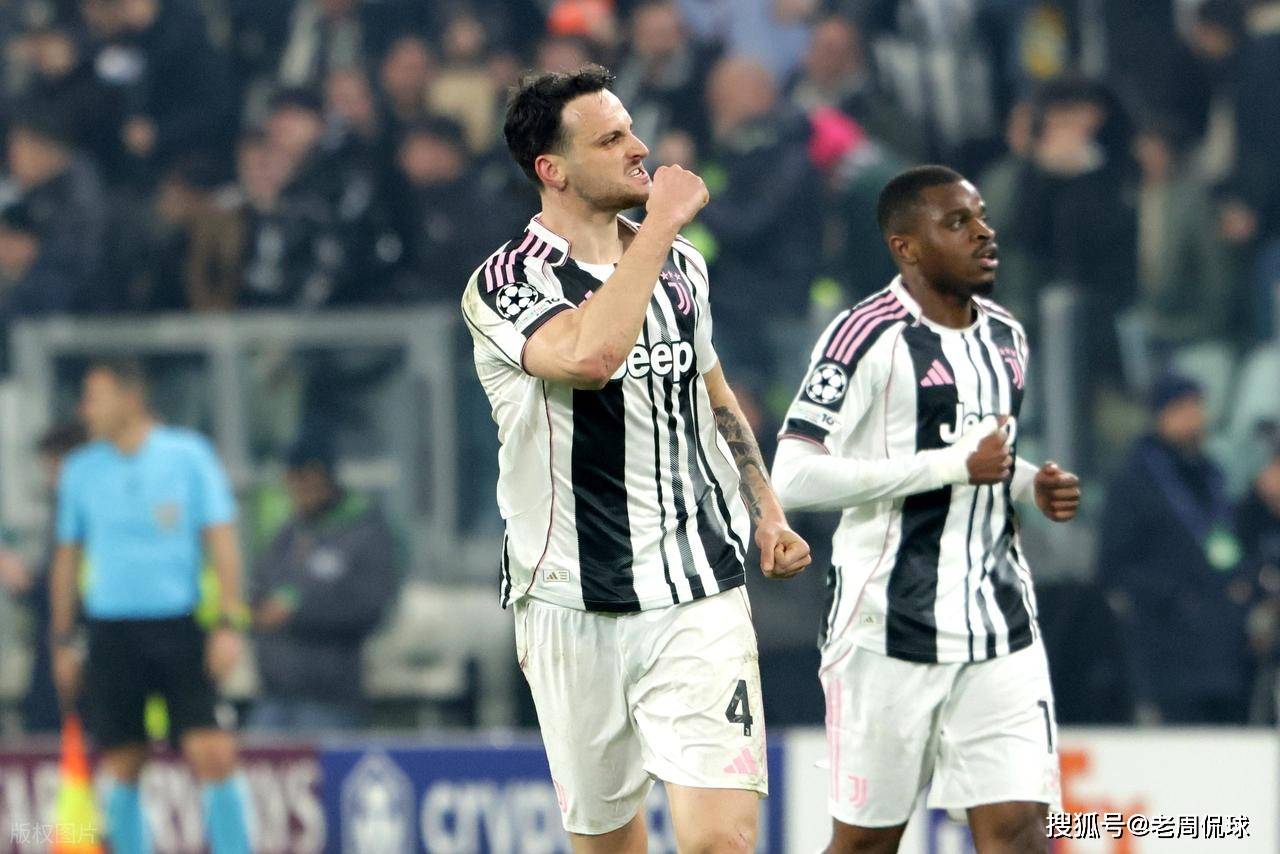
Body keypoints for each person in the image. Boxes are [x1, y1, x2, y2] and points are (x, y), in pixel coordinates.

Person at [460, 65, 811, 853]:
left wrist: (766, 510)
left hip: (695, 591)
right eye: (611, 138)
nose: (639, 148)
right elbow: (589, 356)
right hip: (568, 601)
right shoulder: (505, 282)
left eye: (632, 130)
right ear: (552, 170)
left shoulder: (683, 266)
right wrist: (658, 228)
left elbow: (712, 389)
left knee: (721, 841)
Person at [771, 165, 1082, 854]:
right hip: (887, 625)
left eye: (982, 217)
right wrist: (947, 469)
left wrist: (1031, 483)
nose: (984, 232)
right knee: (867, 843)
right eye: (958, 222)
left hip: (999, 623)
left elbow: (982, 451)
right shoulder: (863, 336)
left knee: (1021, 833)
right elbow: (791, 475)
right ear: (905, 247)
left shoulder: (1007, 337)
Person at [49, 359, 253, 854]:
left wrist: (229, 624)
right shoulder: (80, 470)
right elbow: (67, 557)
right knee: (122, 760)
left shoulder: (187, 455)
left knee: (212, 750)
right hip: (110, 631)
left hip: (178, 625)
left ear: (131, 398)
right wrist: (62, 639)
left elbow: (223, 539)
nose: (85, 410)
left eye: (95, 398)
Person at [1098, 374, 1251, 725]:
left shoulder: (1211, 476)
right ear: (1160, 415)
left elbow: (1227, 541)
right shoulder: (1134, 481)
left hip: (1224, 646)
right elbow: (1113, 567)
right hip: (1167, 651)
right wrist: (1174, 596)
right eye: (1183, 408)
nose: (1194, 418)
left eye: (1197, 407)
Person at [249, 431, 399, 731]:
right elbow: (260, 586)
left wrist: (296, 611)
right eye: (293, 480)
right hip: (273, 696)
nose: (299, 489)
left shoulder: (364, 531)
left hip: (330, 701)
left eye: (306, 479)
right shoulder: (287, 533)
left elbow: (370, 606)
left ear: (325, 478)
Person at [0, 423, 87, 734]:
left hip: (80, 648)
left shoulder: (85, 517)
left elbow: (76, 589)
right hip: (62, 645)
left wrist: (27, 583)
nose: (51, 481)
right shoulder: (65, 513)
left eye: (54, 469)